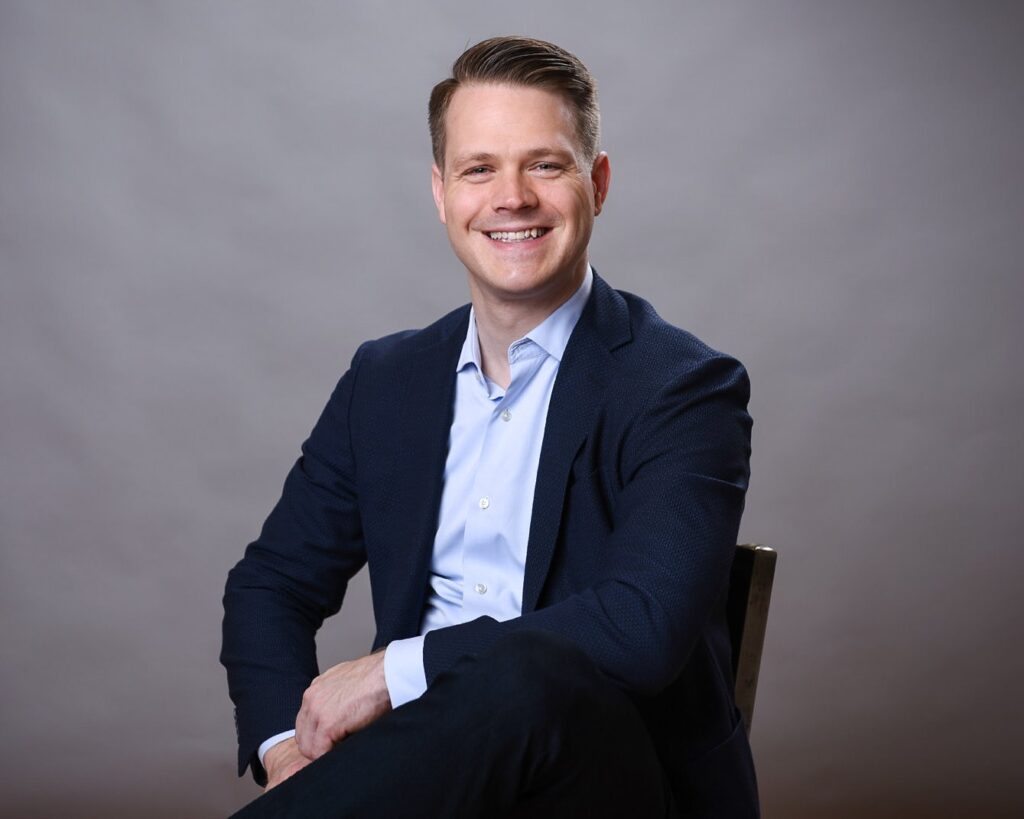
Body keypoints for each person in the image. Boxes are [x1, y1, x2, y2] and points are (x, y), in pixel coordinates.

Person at [221, 35, 758, 818]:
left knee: (528, 668)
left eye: (545, 164)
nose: (512, 197)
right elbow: (269, 584)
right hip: (420, 780)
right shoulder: (387, 380)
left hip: (607, 785)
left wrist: (394, 671)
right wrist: (287, 753)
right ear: (441, 193)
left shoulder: (681, 385)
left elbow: (639, 628)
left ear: (597, 183)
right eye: (480, 168)